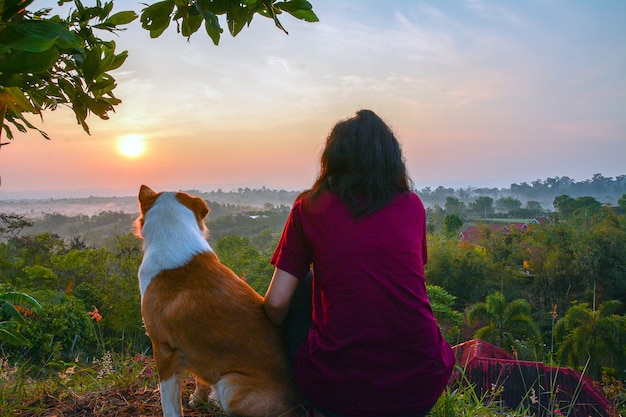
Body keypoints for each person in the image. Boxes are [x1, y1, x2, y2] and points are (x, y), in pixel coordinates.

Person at [263, 109, 455, 417]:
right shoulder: (413, 206)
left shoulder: (310, 208)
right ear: (391, 159)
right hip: (421, 384)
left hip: (338, 393)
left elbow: (275, 304)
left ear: (333, 158)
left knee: (302, 285)